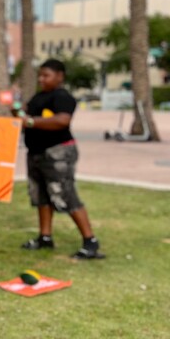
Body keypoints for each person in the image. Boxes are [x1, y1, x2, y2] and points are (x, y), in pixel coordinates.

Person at [19, 59, 104, 259]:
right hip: (36, 152)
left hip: (57, 153)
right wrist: (18, 111)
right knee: (41, 196)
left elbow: (62, 120)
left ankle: (90, 241)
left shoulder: (62, 97)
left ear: (60, 76)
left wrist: (30, 121)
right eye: (40, 75)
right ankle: (45, 237)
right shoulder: (39, 96)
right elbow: (25, 115)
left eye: (46, 75)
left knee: (65, 194)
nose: (41, 79)